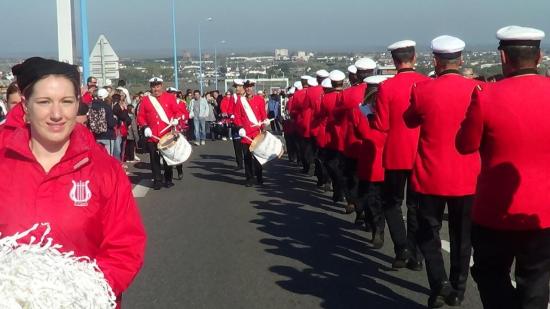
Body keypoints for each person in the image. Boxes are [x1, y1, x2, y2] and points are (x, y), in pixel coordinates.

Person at [1, 57, 146, 306]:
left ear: (78, 104)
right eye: (44, 102)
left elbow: (125, 247)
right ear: (25, 105)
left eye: (66, 102)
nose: (56, 114)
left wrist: (77, 295)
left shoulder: (105, 170)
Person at [456, 25, 550, 309]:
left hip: (494, 209)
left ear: (503, 58)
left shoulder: (485, 96)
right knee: (536, 278)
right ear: (539, 56)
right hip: (544, 209)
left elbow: (465, 145)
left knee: (490, 273)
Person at [404, 35, 481, 308]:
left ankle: (439, 284)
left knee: (428, 232)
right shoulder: (479, 89)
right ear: (460, 61)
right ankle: (458, 289)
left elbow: (409, 119)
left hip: (431, 175)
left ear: (436, 61)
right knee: (463, 236)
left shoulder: (423, 90)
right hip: (467, 176)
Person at [373, 40, 430, 271]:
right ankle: (415, 254)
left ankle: (401, 247)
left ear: (395, 62)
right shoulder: (427, 83)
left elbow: (381, 124)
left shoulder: (387, 87)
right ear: (414, 58)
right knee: (416, 206)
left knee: (391, 203)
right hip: (420, 152)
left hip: (396, 152)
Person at [355, 75, 389, 248]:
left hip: (375, 158)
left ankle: (377, 228)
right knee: (372, 197)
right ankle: (375, 226)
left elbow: (360, 131)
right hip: (376, 158)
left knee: (372, 197)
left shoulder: (362, 110)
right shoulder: (363, 110)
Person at [137, 77, 182, 190]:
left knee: (167, 159)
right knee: (154, 159)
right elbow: (141, 116)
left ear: (161, 86)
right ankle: (157, 180)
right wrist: (145, 127)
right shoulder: (146, 100)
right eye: (153, 87)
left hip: (166, 134)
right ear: (151, 87)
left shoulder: (169, 98)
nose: (155, 89)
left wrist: (176, 119)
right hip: (152, 135)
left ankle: (168, 179)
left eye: (157, 86)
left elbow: (177, 112)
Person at [233, 80, 269, 187]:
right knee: (247, 157)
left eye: (250, 87)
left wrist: (265, 122)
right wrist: (239, 127)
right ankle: (249, 178)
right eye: (246, 87)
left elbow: (263, 114)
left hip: (257, 133)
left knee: (258, 156)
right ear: (244, 88)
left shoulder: (260, 99)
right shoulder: (240, 101)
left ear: (253, 87)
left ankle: (259, 176)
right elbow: (237, 116)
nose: (248, 89)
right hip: (246, 134)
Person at [90, 88, 117, 156]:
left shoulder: (92, 106)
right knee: (109, 157)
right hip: (108, 135)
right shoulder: (107, 107)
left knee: (99, 157)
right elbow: (111, 123)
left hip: (96, 135)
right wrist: (115, 119)